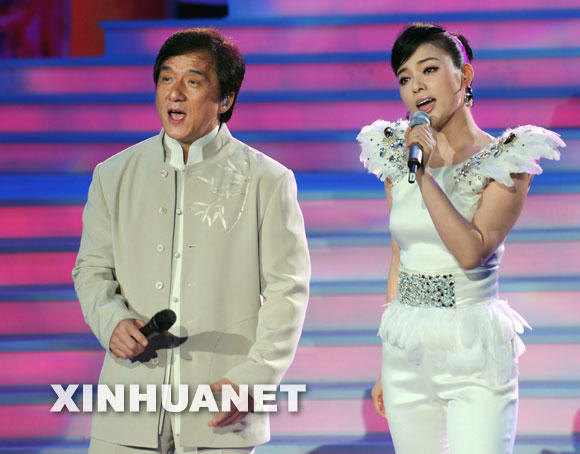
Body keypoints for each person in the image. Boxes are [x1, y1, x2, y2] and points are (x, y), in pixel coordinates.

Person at [72, 27, 311, 454]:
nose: (175, 93)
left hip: (222, 400)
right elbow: (91, 270)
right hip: (129, 400)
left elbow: (286, 289)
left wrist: (254, 379)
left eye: (193, 81)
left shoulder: (267, 180)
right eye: (166, 78)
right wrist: (111, 321)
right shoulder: (113, 174)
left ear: (226, 99)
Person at [357, 23, 565, 453]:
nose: (416, 86)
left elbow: (472, 251)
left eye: (429, 70)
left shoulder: (505, 159)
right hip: (407, 358)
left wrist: (424, 175)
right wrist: (388, 359)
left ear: (465, 76)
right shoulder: (397, 155)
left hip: (473, 354)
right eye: (404, 78)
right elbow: (400, 258)